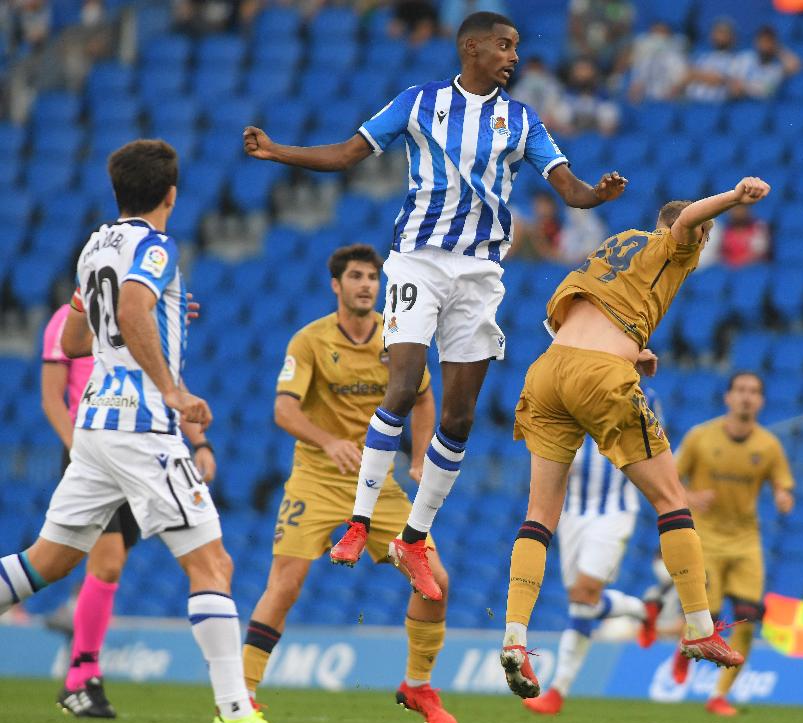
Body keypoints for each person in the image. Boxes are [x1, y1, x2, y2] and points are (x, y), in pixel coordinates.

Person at [242, 12, 626, 601]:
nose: (512, 55)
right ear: (470, 47)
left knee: (459, 417)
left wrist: (595, 194)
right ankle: (360, 520)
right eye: (503, 44)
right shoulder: (418, 103)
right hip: (418, 260)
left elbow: (567, 187)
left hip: (480, 273)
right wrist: (277, 152)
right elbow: (349, 153)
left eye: (516, 46)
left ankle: (415, 537)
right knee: (402, 383)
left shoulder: (521, 120)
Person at [0, 139, 308, 723]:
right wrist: (171, 385)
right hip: (142, 426)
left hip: (94, 427)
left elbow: (78, 332)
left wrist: (151, 319)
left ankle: (235, 711)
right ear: (172, 194)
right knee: (212, 565)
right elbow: (134, 306)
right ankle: (235, 713)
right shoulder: (156, 247)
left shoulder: (94, 245)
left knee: (48, 562)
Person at [498, 177, 773, 699]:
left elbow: (569, 324)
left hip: (548, 370)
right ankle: (698, 628)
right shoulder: (677, 242)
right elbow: (689, 220)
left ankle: (515, 637)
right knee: (672, 499)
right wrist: (733, 198)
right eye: (703, 235)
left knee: (538, 516)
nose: (701, 244)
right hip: (600, 378)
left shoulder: (614, 247)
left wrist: (631, 353)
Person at [240, 244, 456, 723]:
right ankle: (243, 694)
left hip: (378, 487)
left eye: (372, 277)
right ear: (335, 285)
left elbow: (424, 399)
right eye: (355, 276)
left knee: (437, 582)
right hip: (316, 480)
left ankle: (417, 685)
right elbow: (283, 409)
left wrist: (420, 456)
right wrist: (329, 441)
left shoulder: (397, 335)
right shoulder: (310, 341)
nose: (366, 285)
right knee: (285, 584)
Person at [45, 298, 214, 718]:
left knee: (104, 566)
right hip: (95, 448)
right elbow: (52, 398)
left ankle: (81, 667)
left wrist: (201, 443)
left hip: (140, 445)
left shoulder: (144, 319)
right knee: (106, 563)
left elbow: (168, 384)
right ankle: (81, 678)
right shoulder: (64, 325)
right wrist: (80, 452)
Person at [674, 371, 795, 717]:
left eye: (753, 392)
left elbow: (782, 485)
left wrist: (784, 497)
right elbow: (669, 479)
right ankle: (685, 646)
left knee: (747, 618)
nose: (746, 397)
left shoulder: (768, 446)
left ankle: (720, 695)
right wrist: (690, 496)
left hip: (745, 541)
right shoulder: (700, 437)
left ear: (761, 401)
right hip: (706, 539)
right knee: (707, 617)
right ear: (728, 397)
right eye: (740, 390)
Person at [521, 428, 659, 716]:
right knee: (581, 601)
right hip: (571, 511)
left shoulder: (638, 396)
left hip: (614, 511)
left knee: (584, 597)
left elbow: (655, 448)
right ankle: (644, 610)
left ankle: (558, 690)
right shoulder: (566, 396)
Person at [625, 20, 688, 103]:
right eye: (655, 32)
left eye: (661, 32)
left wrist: (663, 102)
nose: (657, 36)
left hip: (666, 103)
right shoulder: (643, 58)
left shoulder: (676, 57)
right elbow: (635, 84)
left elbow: (681, 82)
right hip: (645, 102)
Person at [683, 19, 744, 102]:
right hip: (693, 104)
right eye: (717, 32)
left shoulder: (738, 60)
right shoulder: (702, 58)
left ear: (732, 37)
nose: (719, 36)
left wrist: (697, 75)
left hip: (717, 107)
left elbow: (722, 81)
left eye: (723, 33)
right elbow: (687, 76)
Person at [734, 25, 801, 100]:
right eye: (761, 42)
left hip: (763, 106)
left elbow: (767, 91)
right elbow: (734, 84)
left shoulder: (776, 69)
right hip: (740, 103)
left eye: (768, 42)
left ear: (774, 44)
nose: (764, 46)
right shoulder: (745, 58)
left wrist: (779, 50)